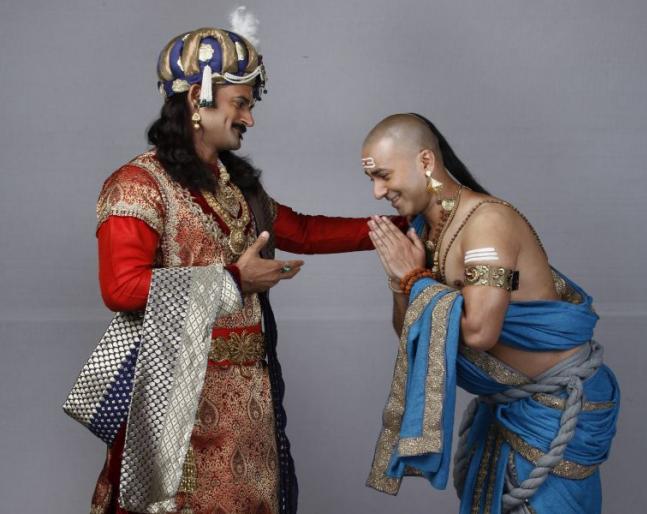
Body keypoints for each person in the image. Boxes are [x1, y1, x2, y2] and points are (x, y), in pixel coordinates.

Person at [66, 16, 404, 514]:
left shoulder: (235, 185)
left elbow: (306, 232)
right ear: (196, 100)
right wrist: (234, 280)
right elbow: (121, 288)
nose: (249, 118)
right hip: (176, 398)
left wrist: (406, 226)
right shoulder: (137, 185)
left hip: (248, 399)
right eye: (240, 103)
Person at [362, 113, 619, 513]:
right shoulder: (426, 231)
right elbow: (412, 330)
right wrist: (401, 283)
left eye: (383, 175)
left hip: (552, 411)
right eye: (371, 179)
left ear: (426, 161)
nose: (378, 192)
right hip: (506, 408)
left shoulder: (487, 223)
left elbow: (481, 332)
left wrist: (414, 278)